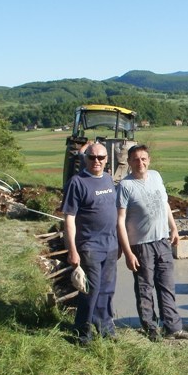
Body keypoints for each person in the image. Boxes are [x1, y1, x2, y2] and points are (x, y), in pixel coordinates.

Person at [116, 144, 188, 342]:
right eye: (136, 159)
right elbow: (120, 221)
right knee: (145, 288)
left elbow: (165, 204)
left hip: (162, 241)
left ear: (149, 160)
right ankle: (151, 328)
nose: (140, 163)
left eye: (143, 159)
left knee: (166, 285)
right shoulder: (126, 186)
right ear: (130, 163)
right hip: (140, 245)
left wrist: (173, 228)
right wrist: (127, 252)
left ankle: (173, 327)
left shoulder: (156, 176)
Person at [62, 142, 118, 345]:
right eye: (92, 157)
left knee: (107, 289)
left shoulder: (108, 179)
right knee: (90, 290)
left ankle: (105, 328)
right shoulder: (77, 183)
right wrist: (72, 250)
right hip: (89, 246)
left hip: (110, 246)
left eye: (101, 158)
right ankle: (82, 331)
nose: (97, 161)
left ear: (106, 159)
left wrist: (118, 243)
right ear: (85, 158)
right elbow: (69, 218)